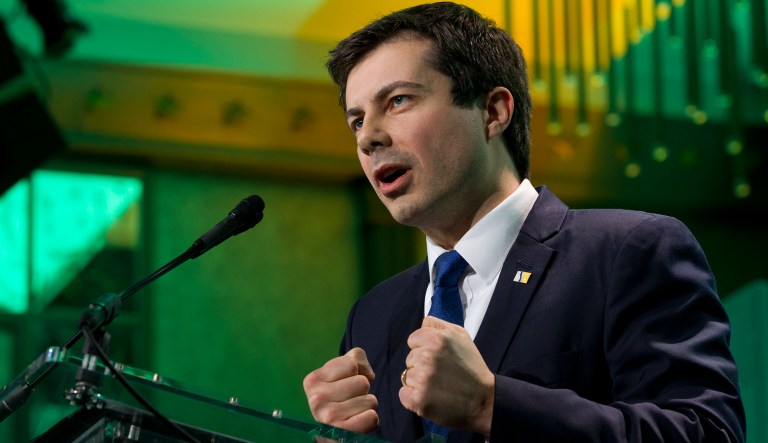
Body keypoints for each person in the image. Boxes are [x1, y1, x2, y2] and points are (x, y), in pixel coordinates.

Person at [302, 2, 746, 442]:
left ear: (493, 111)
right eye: (356, 120)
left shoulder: (629, 250)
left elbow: (706, 432)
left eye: (398, 101)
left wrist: (490, 404)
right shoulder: (374, 315)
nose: (368, 138)